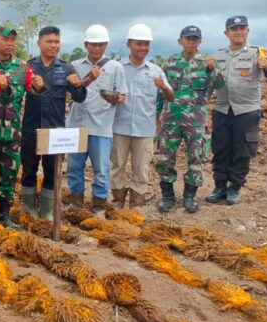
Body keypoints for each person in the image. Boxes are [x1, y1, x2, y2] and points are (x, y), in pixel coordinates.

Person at [206, 16, 267, 205]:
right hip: (222, 108)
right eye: (233, 28)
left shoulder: (258, 53)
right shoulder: (218, 55)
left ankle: (235, 187)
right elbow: (210, 80)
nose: (238, 31)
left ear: (248, 31)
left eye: (242, 28)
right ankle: (220, 186)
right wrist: (208, 69)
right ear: (226, 33)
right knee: (220, 149)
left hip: (246, 110)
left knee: (243, 150)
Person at [155, 26, 225, 213]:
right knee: (165, 158)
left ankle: (190, 196)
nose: (191, 42)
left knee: (196, 158)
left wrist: (214, 68)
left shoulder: (207, 62)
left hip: (196, 121)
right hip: (171, 119)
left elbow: (221, 84)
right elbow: (161, 92)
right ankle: (167, 196)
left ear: (200, 42)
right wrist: (156, 115)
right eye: (188, 38)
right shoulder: (170, 62)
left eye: (195, 39)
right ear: (180, 41)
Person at [20, 27, 86, 220]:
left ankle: (48, 211)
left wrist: (78, 85)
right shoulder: (28, 67)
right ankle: (29, 208)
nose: (54, 45)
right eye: (49, 41)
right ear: (39, 43)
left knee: (52, 170)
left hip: (55, 131)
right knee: (29, 168)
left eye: (57, 42)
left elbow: (79, 98)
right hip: (31, 129)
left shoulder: (66, 68)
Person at [110, 24, 174, 211]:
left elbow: (171, 97)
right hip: (119, 127)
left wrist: (163, 87)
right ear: (129, 44)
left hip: (145, 129)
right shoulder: (118, 68)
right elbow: (106, 94)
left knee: (141, 169)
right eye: (139, 43)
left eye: (146, 44)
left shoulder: (156, 71)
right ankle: (117, 202)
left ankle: (136, 205)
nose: (143, 48)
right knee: (117, 166)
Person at [66, 25, 127, 214]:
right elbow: (70, 92)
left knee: (101, 168)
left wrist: (114, 98)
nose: (97, 49)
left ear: (106, 45)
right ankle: (76, 202)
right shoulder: (75, 65)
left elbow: (123, 96)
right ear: (86, 45)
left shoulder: (115, 67)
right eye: (93, 45)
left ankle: (99, 205)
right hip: (77, 124)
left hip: (101, 126)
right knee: (75, 166)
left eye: (101, 45)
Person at [0, 25, 33, 229]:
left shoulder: (22, 67)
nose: (10, 43)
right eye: (5, 39)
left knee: (10, 174)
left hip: (12, 132)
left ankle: (4, 214)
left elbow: (31, 92)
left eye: (13, 40)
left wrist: (39, 86)